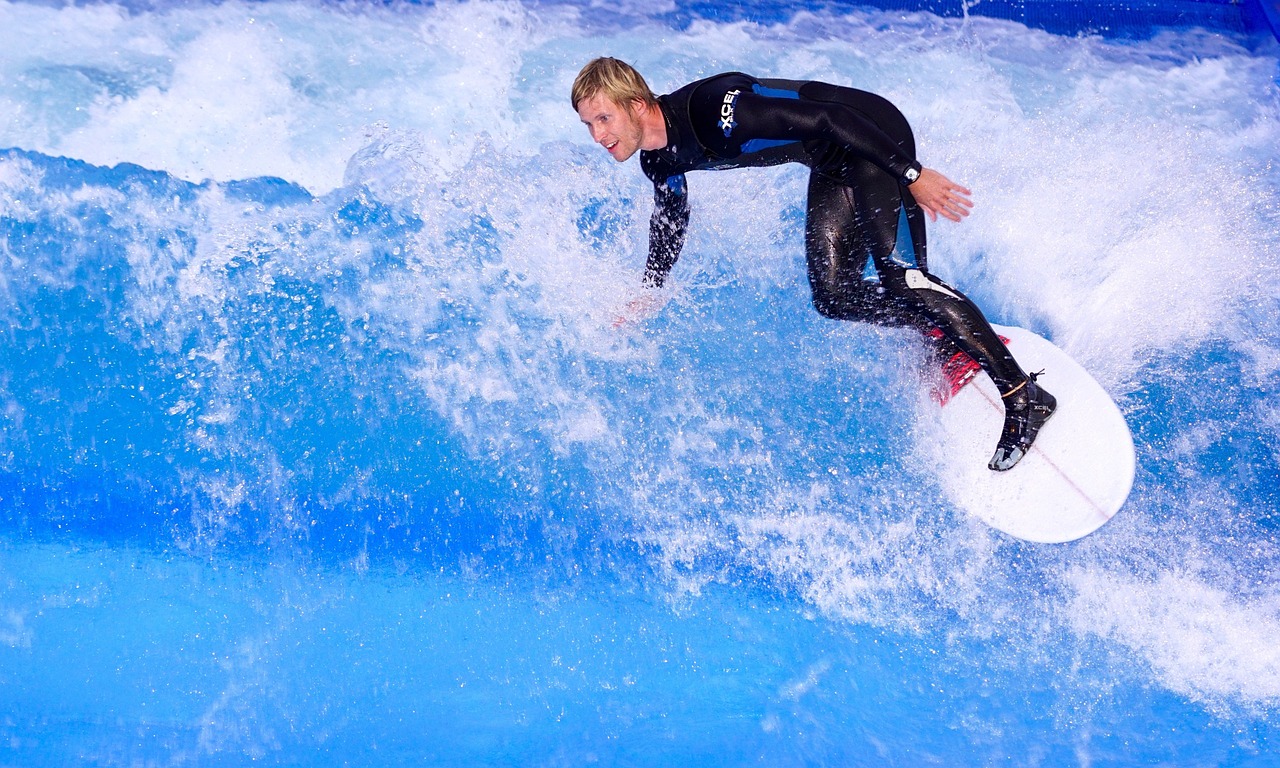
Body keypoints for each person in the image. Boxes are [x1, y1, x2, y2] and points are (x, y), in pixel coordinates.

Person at [570, 57, 1055, 471]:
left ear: (636, 105)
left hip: (867, 134)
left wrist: (912, 174)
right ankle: (944, 334)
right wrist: (651, 288)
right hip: (834, 163)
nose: (597, 135)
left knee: (905, 279)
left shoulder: (716, 114)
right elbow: (671, 216)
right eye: (589, 125)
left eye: (603, 119)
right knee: (834, 295)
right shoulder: (659, 159)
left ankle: (1022, 394)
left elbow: (826, 118)